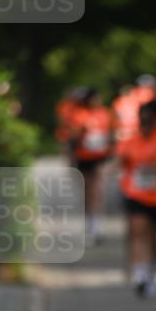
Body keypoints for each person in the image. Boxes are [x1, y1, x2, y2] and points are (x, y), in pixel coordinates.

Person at [117, 98, 156, 297]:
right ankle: (139, 273)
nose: (147, 124)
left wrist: (154, 166)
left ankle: (152, 271)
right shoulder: (131, 139)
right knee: (137, 230)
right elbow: (122, 160)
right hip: (135, 193)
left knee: (153, 235)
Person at [69, 87, 114, 245]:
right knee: (88, 190)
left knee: (97, 189)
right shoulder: (80, 114)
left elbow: (111, 134)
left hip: (100, 157)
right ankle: (89, 221)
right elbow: (73, 138)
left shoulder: (104, 114)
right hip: (84, 157)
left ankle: (97, 225)